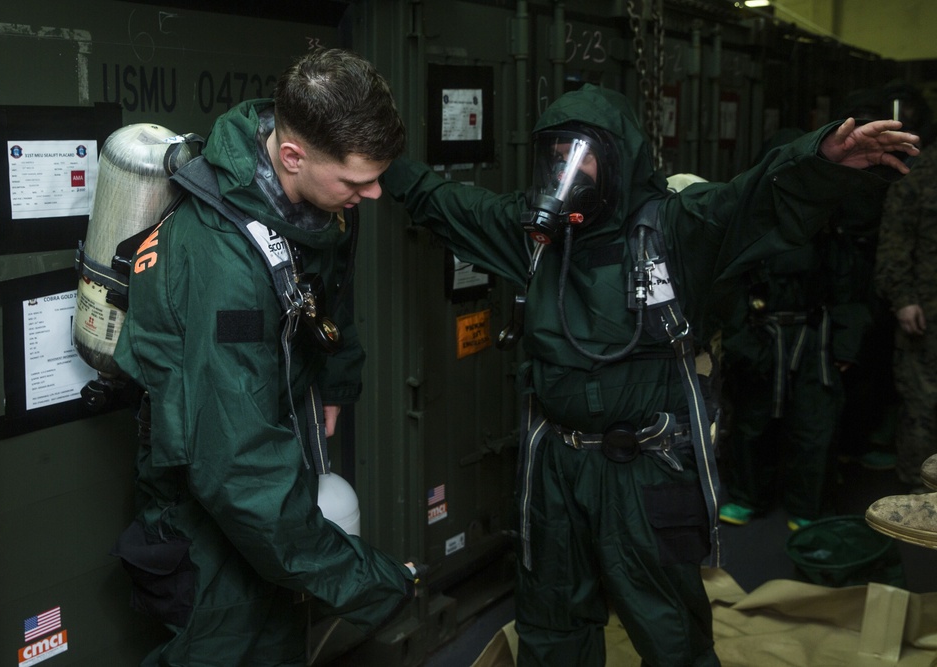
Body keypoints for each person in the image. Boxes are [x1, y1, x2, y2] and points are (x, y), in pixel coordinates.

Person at [381, 83, 918, 666]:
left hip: (643, 469)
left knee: (669, 629)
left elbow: (756, 199)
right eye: (557, 156)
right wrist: (375, 153)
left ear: (618, 158)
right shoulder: (536, 237)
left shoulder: (676, 228)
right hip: (555, 467)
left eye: (582, 154)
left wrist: (821, 159)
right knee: (551, 618)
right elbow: (445, 202)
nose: (568, 169)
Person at [110, 48, 417, 666]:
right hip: (210, 511)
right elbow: (237, 465)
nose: (376, 194)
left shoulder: (314, 204)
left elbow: (328, 295)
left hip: (264, 460)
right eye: (358, 181)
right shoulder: (223, 261)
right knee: (231, 648)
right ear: (292, 155)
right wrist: (370, 584)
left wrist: (337, 381)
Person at [716, 128, 873, 531]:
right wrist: (739, 341)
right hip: (760, 333)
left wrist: (845, 342)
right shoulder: (746, 220)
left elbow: (848, 286)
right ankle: (747, 495)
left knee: (814, 424)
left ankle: (807, 504)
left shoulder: (829, 220)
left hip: (813, 338)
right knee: (750, 423)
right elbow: (727, 285)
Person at [873, 107, 937, 493]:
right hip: (927, 312)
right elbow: (895, 240)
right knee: (923, 404)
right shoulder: (920, 174)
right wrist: (903, 298)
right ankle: (921, 489)